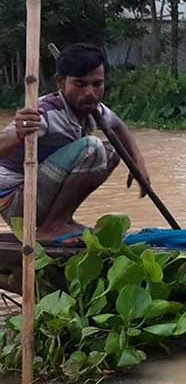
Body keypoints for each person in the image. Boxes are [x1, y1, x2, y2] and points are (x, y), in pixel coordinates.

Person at [0, 43, 150, 243]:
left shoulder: (93, 109)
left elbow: (119, 128)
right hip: (15, 203)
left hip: (36, 195)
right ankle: (51, 227)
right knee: (92, 147)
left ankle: (62, 220)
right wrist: (18, 134)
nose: (90, 93)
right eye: (80, 84)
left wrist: (138, 163)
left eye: (97, 85)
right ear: (61, 82)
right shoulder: (45, 114)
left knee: (113, 150)